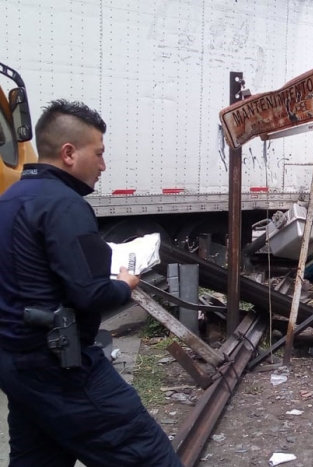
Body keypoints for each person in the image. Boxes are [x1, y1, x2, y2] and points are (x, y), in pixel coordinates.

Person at [0, 100, 183, 467]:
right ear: (69, 153)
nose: (102, 165)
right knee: (150, 457)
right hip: (63, 369)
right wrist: (126, 284)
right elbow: (91, 293)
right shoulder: (66, 206)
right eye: (98, 153)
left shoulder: (10, 198)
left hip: (15, 367)